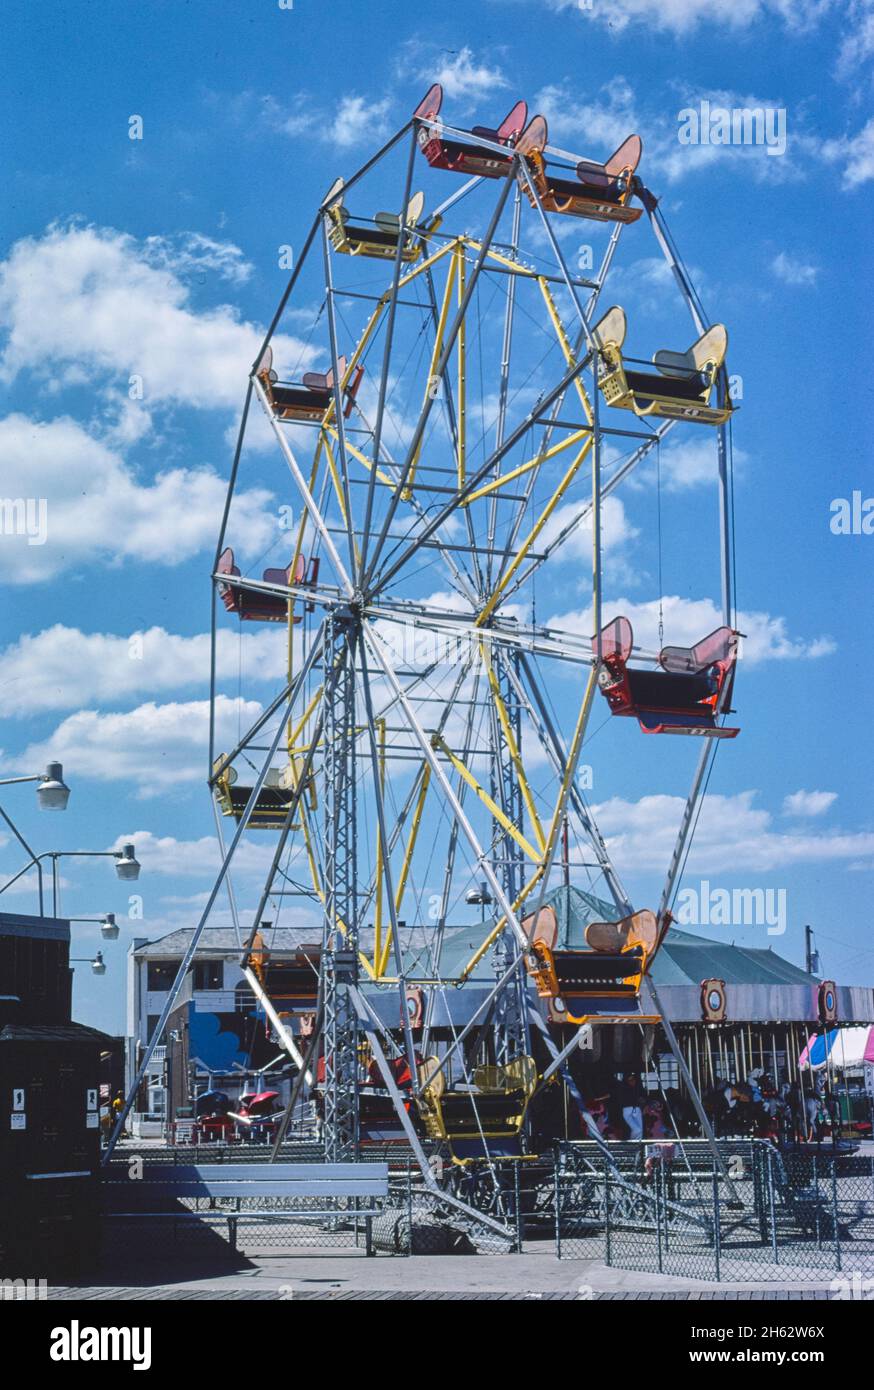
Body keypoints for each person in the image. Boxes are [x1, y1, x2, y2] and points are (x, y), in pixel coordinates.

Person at [617, 1072, 645, 1140]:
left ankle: (638, 1144)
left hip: (636, 1109)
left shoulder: (638, 1088)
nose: (632, 1081)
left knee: (640, 1130)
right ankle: (633, 1142)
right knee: (637, 1129)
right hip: (628, 1109)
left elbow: (643, 1097)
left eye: (633, 1079)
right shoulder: (623, 1089)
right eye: (630, 1080)